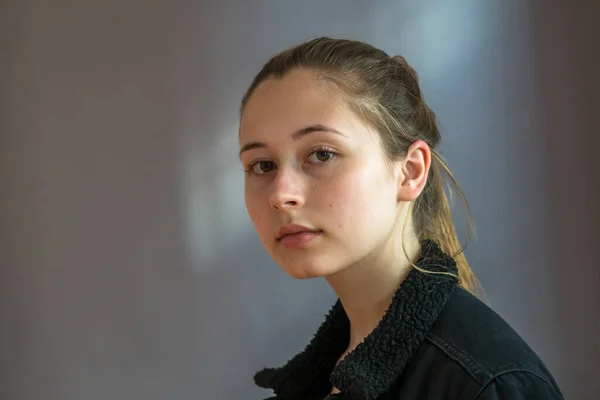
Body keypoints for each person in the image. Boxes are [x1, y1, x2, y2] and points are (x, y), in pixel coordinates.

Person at [238, 37, 563, 400]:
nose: (281, 195)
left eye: (322, 154)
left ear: (409, 172)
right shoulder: (323, 377)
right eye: (262, 165)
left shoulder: (485, 383)